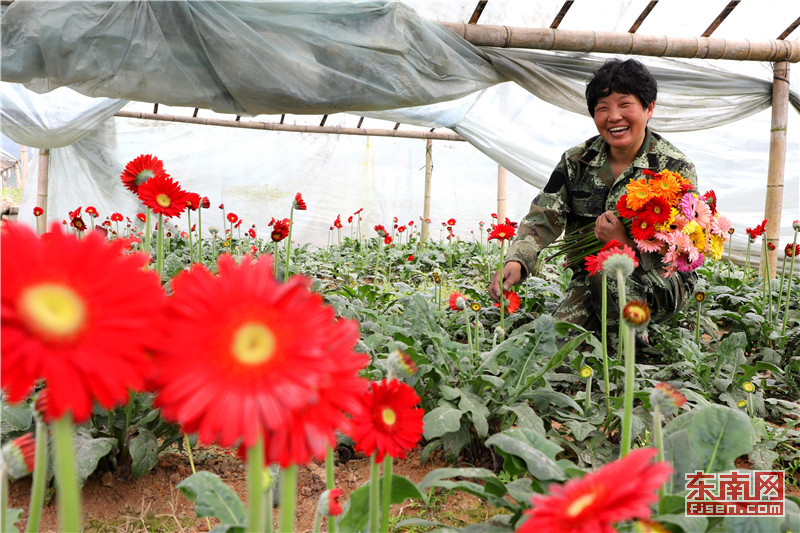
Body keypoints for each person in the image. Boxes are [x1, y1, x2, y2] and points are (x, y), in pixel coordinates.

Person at [489, 58, 697, 334]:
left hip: (659, 283)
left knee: (610, 272)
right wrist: (518, 260)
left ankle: (632, 343)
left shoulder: (675, 169)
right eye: (602, 108)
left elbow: (684, 248)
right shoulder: (577, 161)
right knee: (553, 343)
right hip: (590, 280)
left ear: (649, 109)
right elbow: (544, 215)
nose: (613, 117)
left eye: (625, 105)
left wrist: (625, 245)